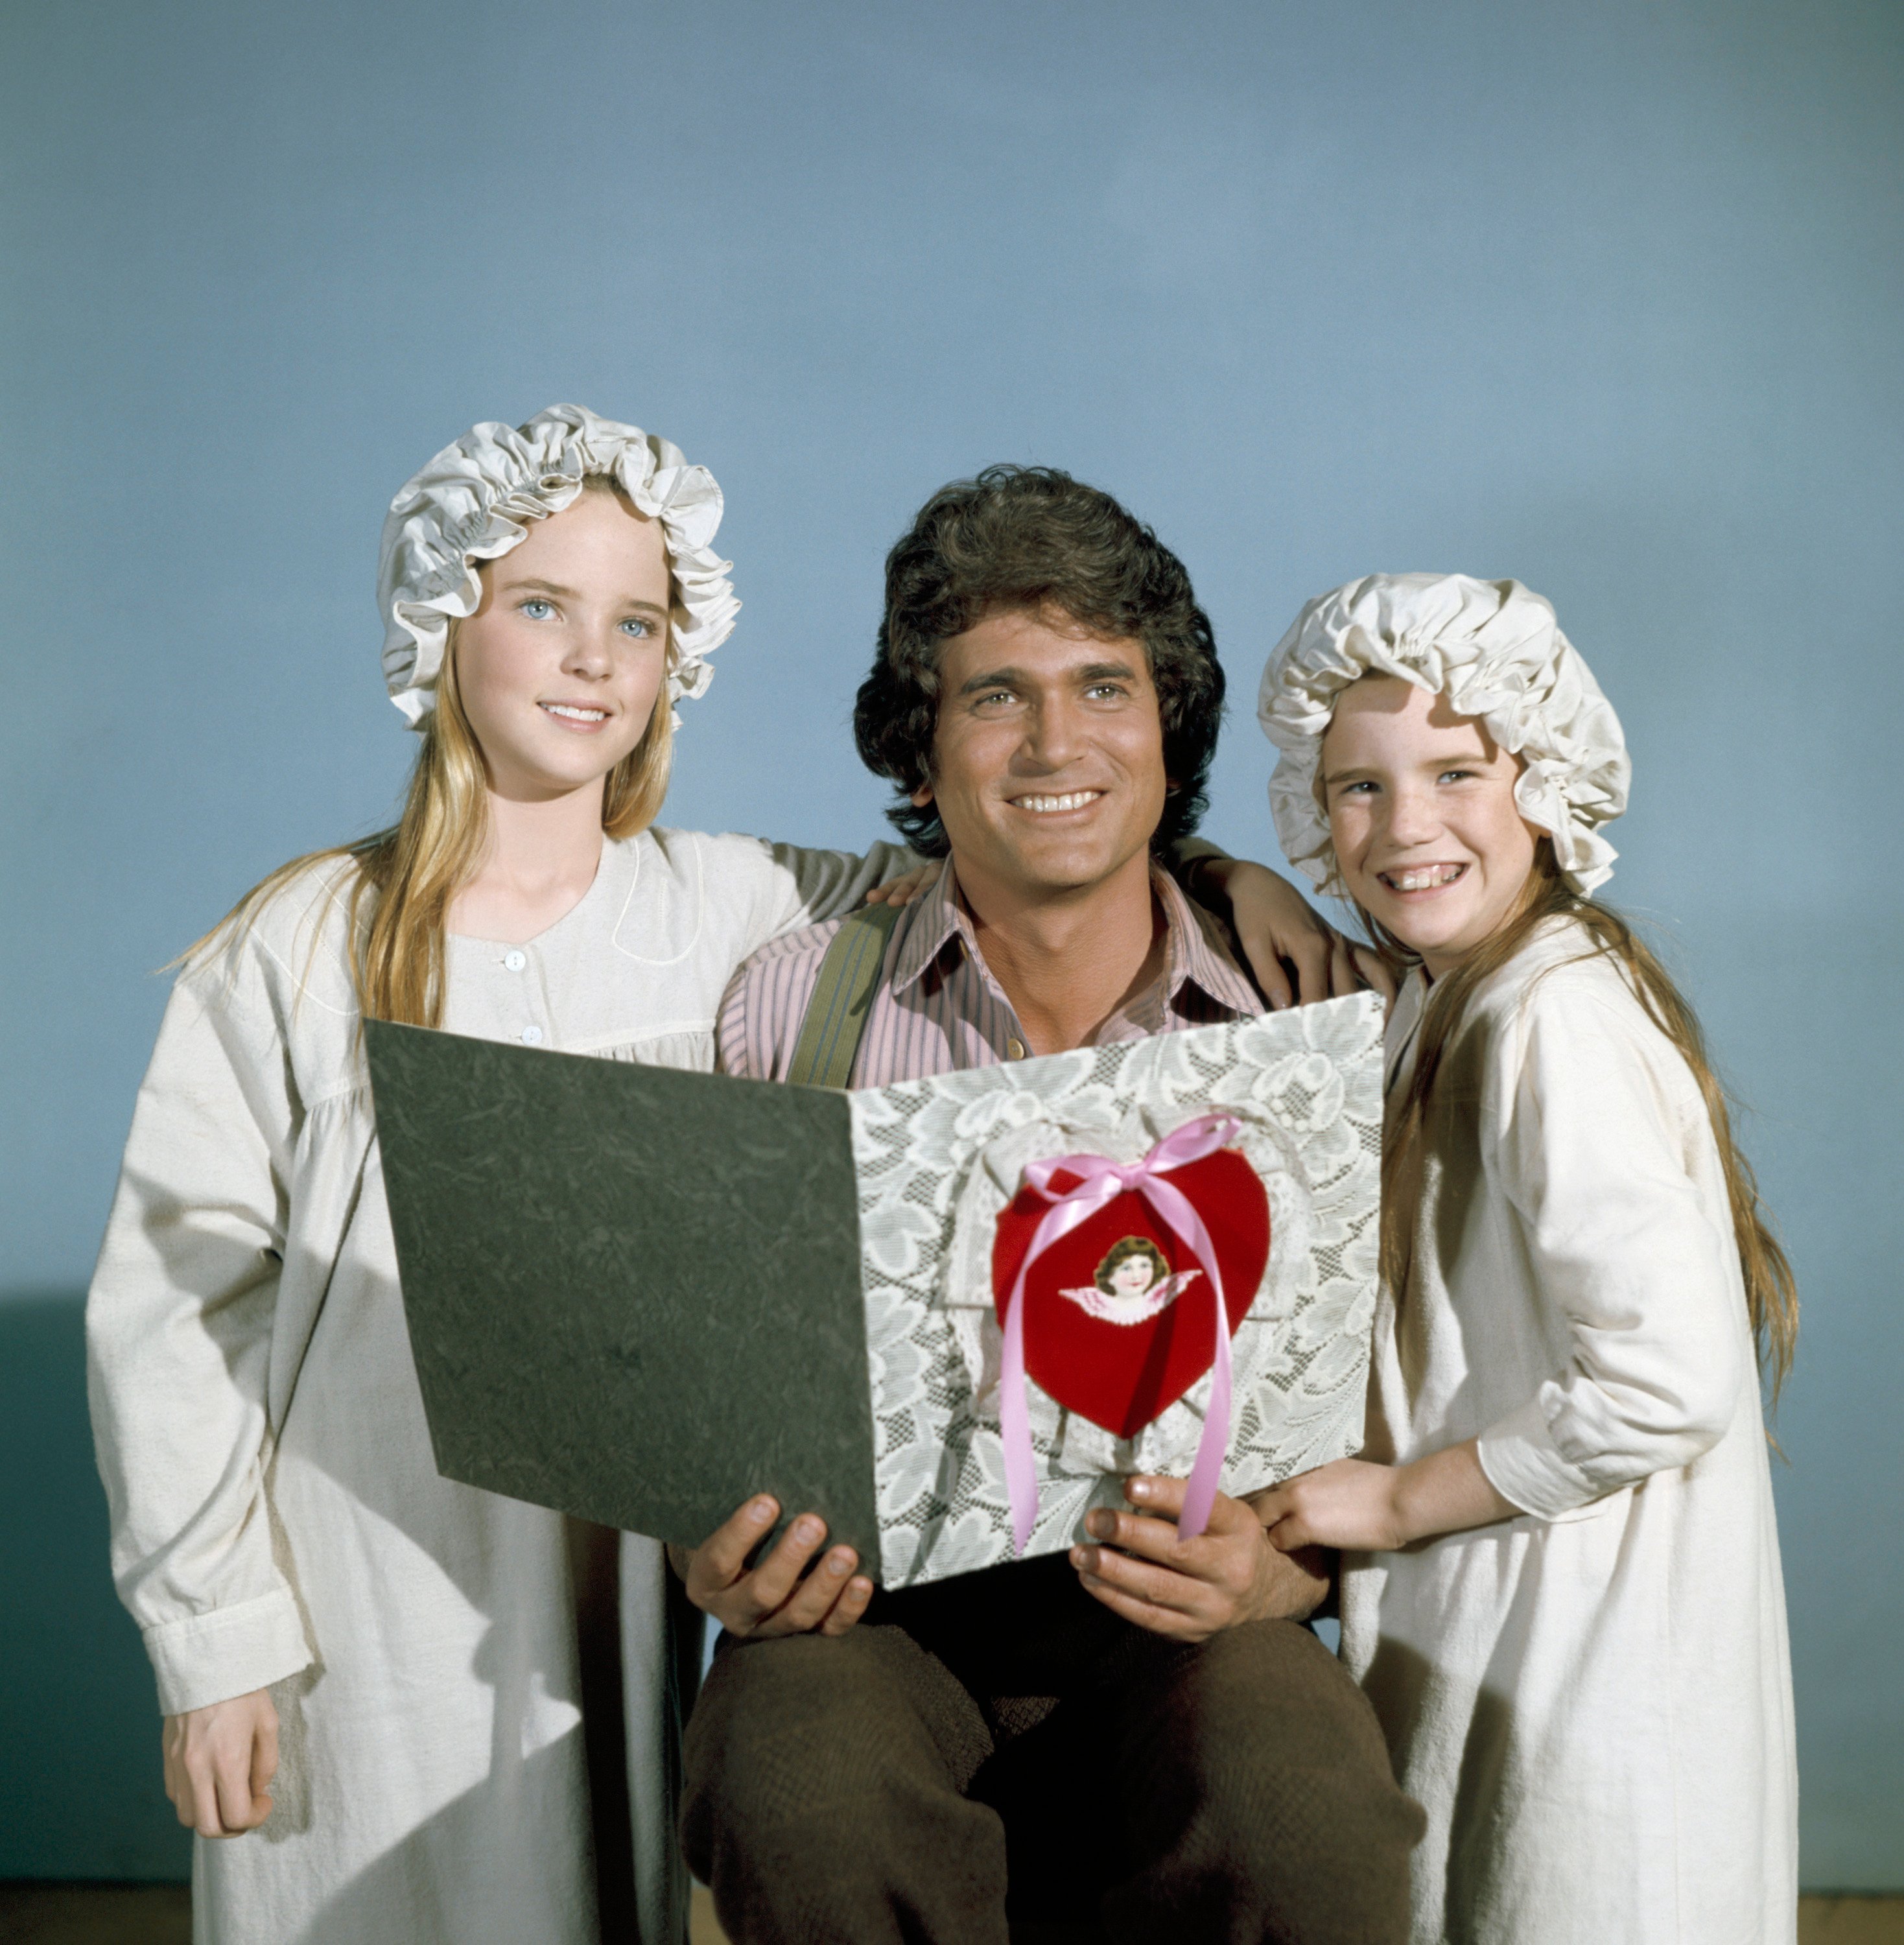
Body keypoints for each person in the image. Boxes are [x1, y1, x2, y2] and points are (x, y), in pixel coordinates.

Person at [87, 410, 1346, 1945]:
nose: (588, 657)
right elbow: (167, 1308)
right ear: (438, 621)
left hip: (606, 1591)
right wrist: (214, 1636)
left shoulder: (727, 906)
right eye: (539, 605)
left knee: (581, 1883)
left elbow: (1031, 842)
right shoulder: (301, 941)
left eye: (634, 620)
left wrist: (1222, 868)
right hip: (369, 1554)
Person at [676, 466, 1424, 1945]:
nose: (1056, 741)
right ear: (922, 743)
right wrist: (708, 1544)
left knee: (1298, 1802)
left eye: (1102, 686)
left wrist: (1290, 1566)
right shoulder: (790, 1006)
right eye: (995, 697)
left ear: (1166, 729)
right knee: (795, 1784)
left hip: (1192, 1595)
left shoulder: (1310, 1001)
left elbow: (1409, 1351)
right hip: (871, 1618)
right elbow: (709, 1374)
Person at [1251, 574, 1800, 1945]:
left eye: (1452, 772)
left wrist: (1385, 1506)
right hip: (1508, 1638)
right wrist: (1222, 873)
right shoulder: (1459, 996)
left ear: (1545, 784)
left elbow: (1667, 1384)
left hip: (1595, 1677)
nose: (1404, 826)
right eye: (1356, 789)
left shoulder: (1548, 1023)